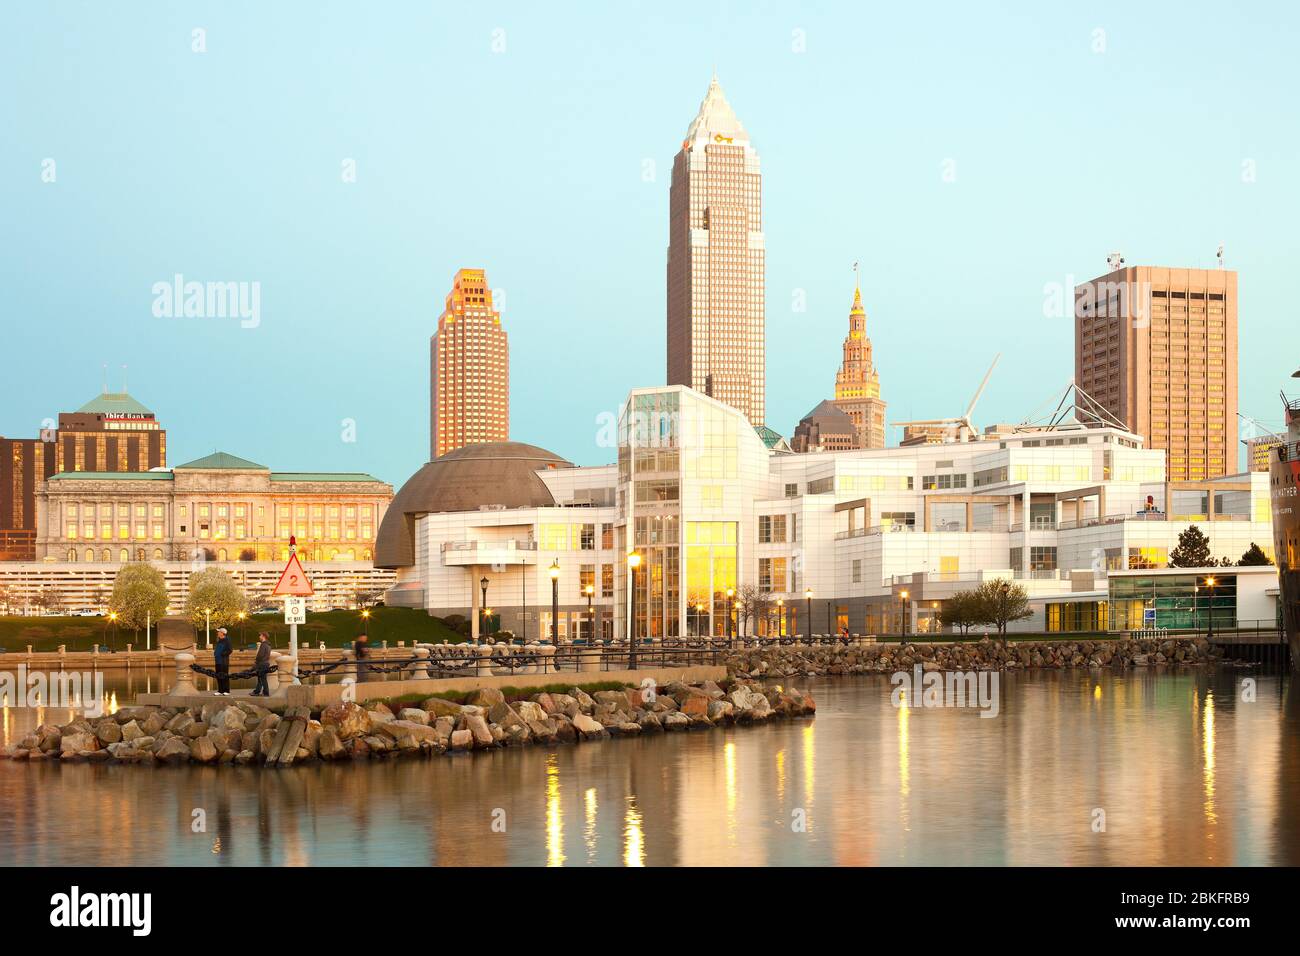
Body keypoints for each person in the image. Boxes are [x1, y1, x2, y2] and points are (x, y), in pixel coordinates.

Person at [213, 627, 233, 696]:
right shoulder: (219, 640)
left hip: (223, 662)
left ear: (222, 633)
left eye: (219, 632)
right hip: (218, 661)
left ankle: (226, 690)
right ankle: (220, 690)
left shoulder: (227, 640)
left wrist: (222, 654)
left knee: (224, 676)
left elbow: (230, 650)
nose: (217, 633)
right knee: (218, 676)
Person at [252, 632, 272, 697]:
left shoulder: (263, 645)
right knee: (261, 679)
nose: (259, 636)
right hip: (266, 663)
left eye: (260, 635)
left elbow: (260, 655)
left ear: (263, 636)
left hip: (262, 664)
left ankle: (266, 693)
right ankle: (257, 692)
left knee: (262, 679)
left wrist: (256, 661)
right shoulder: (268, 645)